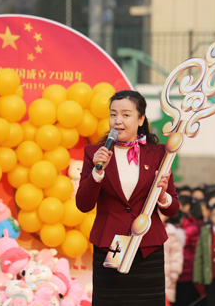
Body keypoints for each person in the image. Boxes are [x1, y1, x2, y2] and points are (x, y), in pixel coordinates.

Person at [76, 90, 179, 305]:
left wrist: (163, 197)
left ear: (141, 119)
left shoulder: (159, 153)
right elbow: (83, 205)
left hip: (147, 245)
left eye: (126, 115)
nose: (118, 121)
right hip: (111, 245)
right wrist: (97, 172)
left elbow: (172, 208)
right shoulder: (95, 153)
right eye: (113, 114)